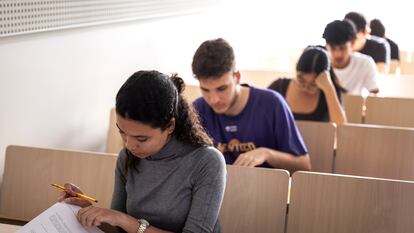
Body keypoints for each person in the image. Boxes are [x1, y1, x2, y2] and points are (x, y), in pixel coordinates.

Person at [58, 71, 226, 233]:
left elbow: (122, 221)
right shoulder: (126, 158)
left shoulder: (206, 161)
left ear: (170, 126)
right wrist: (88, 211)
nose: (129, 145)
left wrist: (125, 221)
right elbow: (117, 228)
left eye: (142, 139)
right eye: (122, 132)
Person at [192, 38, 311, 173]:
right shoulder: (197, 111)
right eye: (205, 90)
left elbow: (303, 165)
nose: (214, 100)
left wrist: (267, 154)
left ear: (237, 76)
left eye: (222, 88)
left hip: (267, 191)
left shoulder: (272, 104)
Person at [268, 46, 347, 125]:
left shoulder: (327, 92)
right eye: (301, 81)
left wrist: (329, 89)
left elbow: (341, 128)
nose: (306, 87)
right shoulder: (279, 86)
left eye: (313, 84)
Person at [323, 19, 379, 95]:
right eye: (333, 49)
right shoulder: (320, 63)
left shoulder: (365, 63)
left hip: (355, 106)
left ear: (352, 43)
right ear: (326, 46)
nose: (338, 54)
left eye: (342, 48)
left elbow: (375, 95)